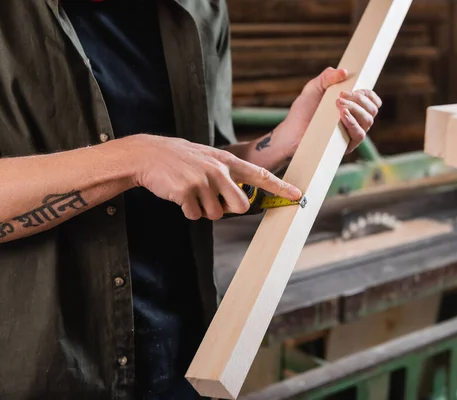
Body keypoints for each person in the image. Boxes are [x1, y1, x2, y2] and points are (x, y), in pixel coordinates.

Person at [0, 1, 382, 399]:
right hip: (43, 369)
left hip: (182, 354)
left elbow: (200, 167)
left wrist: (282, 145)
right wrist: (133, 158)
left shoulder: (200, 9)